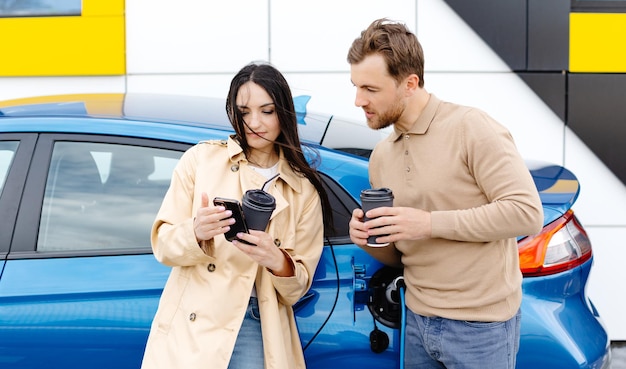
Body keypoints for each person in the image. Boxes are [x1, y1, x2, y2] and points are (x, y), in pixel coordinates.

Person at [346, 18, 544, 369]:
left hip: (480, 329)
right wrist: (367, 239)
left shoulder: (471, 128)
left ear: (410, 83)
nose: (359, 100)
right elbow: (402, 252)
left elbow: (526, 213)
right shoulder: (382, 156)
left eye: (371, 89)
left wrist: (428, 223)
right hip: (417, 321)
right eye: (356, 86)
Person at [141, 62, 332, 369]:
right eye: (244, 112)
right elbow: (163, 244)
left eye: (267, 111)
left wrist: (277, 260)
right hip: (195, 322)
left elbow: (298, 288)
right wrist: (196, 231)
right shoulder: (201, 160)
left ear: (283, 112)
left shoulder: (302, 189)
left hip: (256, 321)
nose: (254, 122)